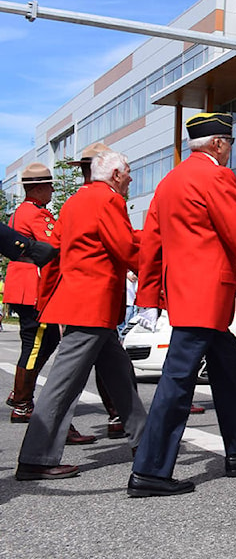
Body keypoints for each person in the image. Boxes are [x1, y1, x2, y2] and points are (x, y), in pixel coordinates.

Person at [130, 113, 236, 498]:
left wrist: (149, 297)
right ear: (219, 144)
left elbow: (151, 244)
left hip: (187, 295)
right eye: (230, 143)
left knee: (226, 364)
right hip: (206, 295)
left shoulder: (170, 181)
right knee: (177, 383)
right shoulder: (216, 176)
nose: (231, 151)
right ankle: (150, 471)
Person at [16, 151, 147, 480]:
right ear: (115, 174)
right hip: (94, 305)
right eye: (128, 172)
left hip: (79, 303)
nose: (131, 178)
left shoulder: (73, 202)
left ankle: (145, 440)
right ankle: (36, 458)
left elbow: (53, 256)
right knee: (62, 385)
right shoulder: (109, 201)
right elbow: (127, 248)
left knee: (119, 375)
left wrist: (49, 300)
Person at [4, 162, 95, 444]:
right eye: (50, 186)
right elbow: (54, 244)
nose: (53, 191)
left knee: (41, 341)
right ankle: (22, 401)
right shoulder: (36, 213)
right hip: (32, 284)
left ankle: (21, 397)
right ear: (39, 188)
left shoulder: (22, 211)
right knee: (37, 342)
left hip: (21, 284)